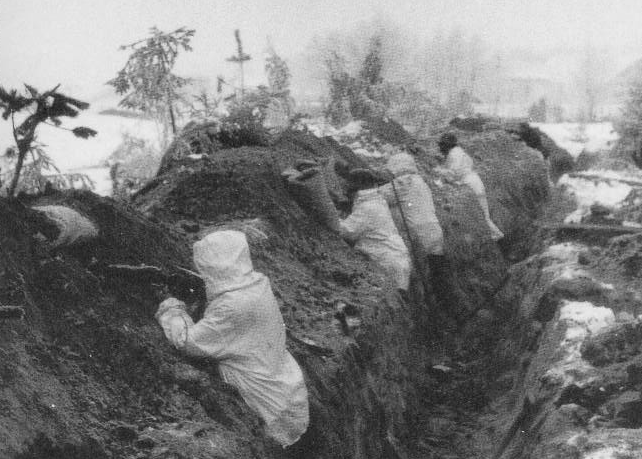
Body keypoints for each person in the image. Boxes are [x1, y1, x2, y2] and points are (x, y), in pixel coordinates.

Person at [155, 230, 309, 447]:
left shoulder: (232, 307)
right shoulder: (257, 284)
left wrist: (172, 308)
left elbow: (187, 342)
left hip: (267, 411)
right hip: (288, 395)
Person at [283, 163, 411, 291]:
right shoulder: (376, 201)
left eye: (349, 188)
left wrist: (329, 213)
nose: (346, 192)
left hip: (387, 262)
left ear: (358, 188)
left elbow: (344, 231)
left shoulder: (368, 208)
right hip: (396, 259)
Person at [437, 133, 504, 241]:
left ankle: (497, 235)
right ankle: (494, 237)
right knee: (483, 214)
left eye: (443, 145)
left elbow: (453, 173)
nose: (441, 148)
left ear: (447, 145)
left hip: (471, 184)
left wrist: (441, 174)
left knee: (483, 216)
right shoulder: (459, 152)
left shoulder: (454, 155)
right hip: (474, 182)